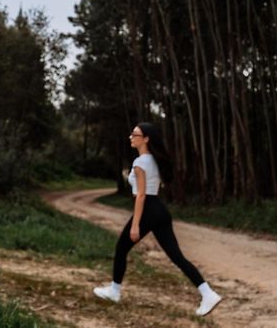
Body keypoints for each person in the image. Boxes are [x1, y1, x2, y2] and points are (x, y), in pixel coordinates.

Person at [93, 122, 222, 316]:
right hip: (160, 210)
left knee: (121, 248)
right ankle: (207, 293)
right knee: (177, 257)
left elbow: (141, 196)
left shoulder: (139, 163)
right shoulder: (153, 160)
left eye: (135, 134)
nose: (130, 137)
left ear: (146, 139)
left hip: (148, 210)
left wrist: (135, 225)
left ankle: (114, 291)